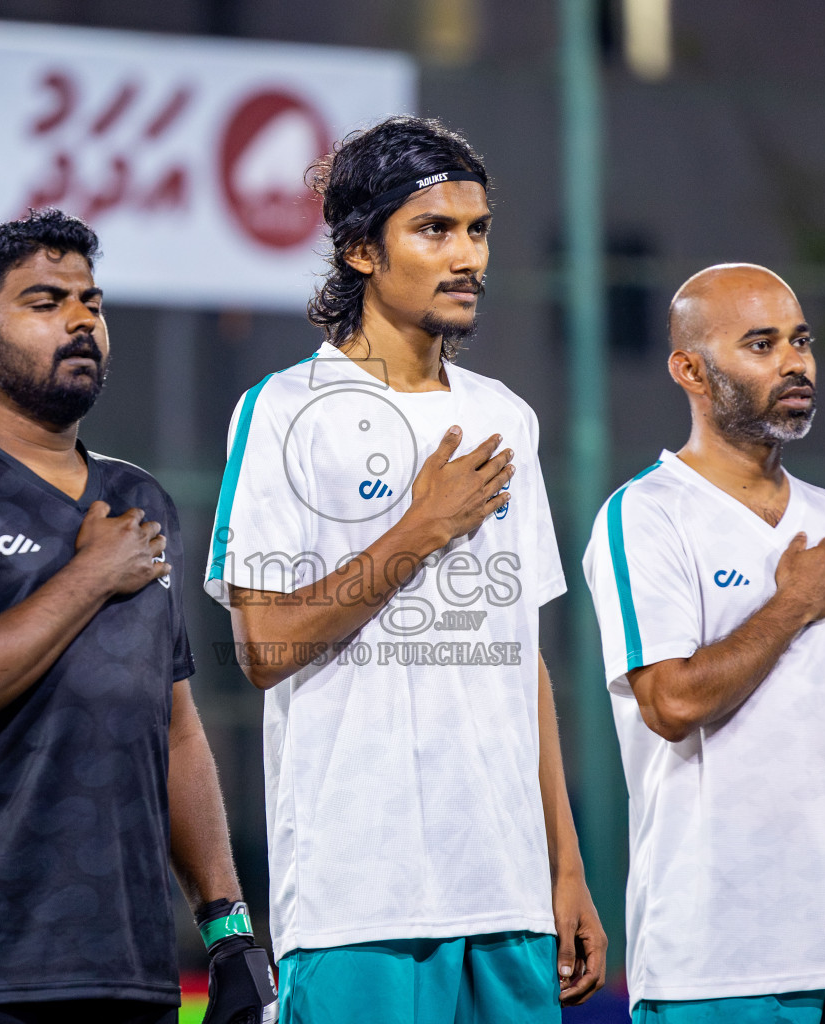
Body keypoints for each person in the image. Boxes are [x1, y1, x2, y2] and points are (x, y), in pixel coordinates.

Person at [204, 115, 606, 1023]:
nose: (468, 256)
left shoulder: (508, 416)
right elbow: (262, 644)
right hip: (359, 901)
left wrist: (566, 869)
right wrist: (416, 530)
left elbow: (522, 662)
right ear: (359, 252)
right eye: (435, 230)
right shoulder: (281, 411)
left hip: (509, 899)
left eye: (478, 230)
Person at [0, 210, 275, 1024]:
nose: (81, 321)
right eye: (46, 302)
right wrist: (90, 574)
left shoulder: (140, 498)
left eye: (91, 301)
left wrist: (228, 931)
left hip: (133, 970)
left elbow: (176, 729)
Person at [583, 264, 825, 1023]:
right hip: (714, 963)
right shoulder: (643, 517)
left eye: (800, 341)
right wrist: (789, 604)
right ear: (691, 370)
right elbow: (671, 701)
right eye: (762, 344)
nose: (796, 362)